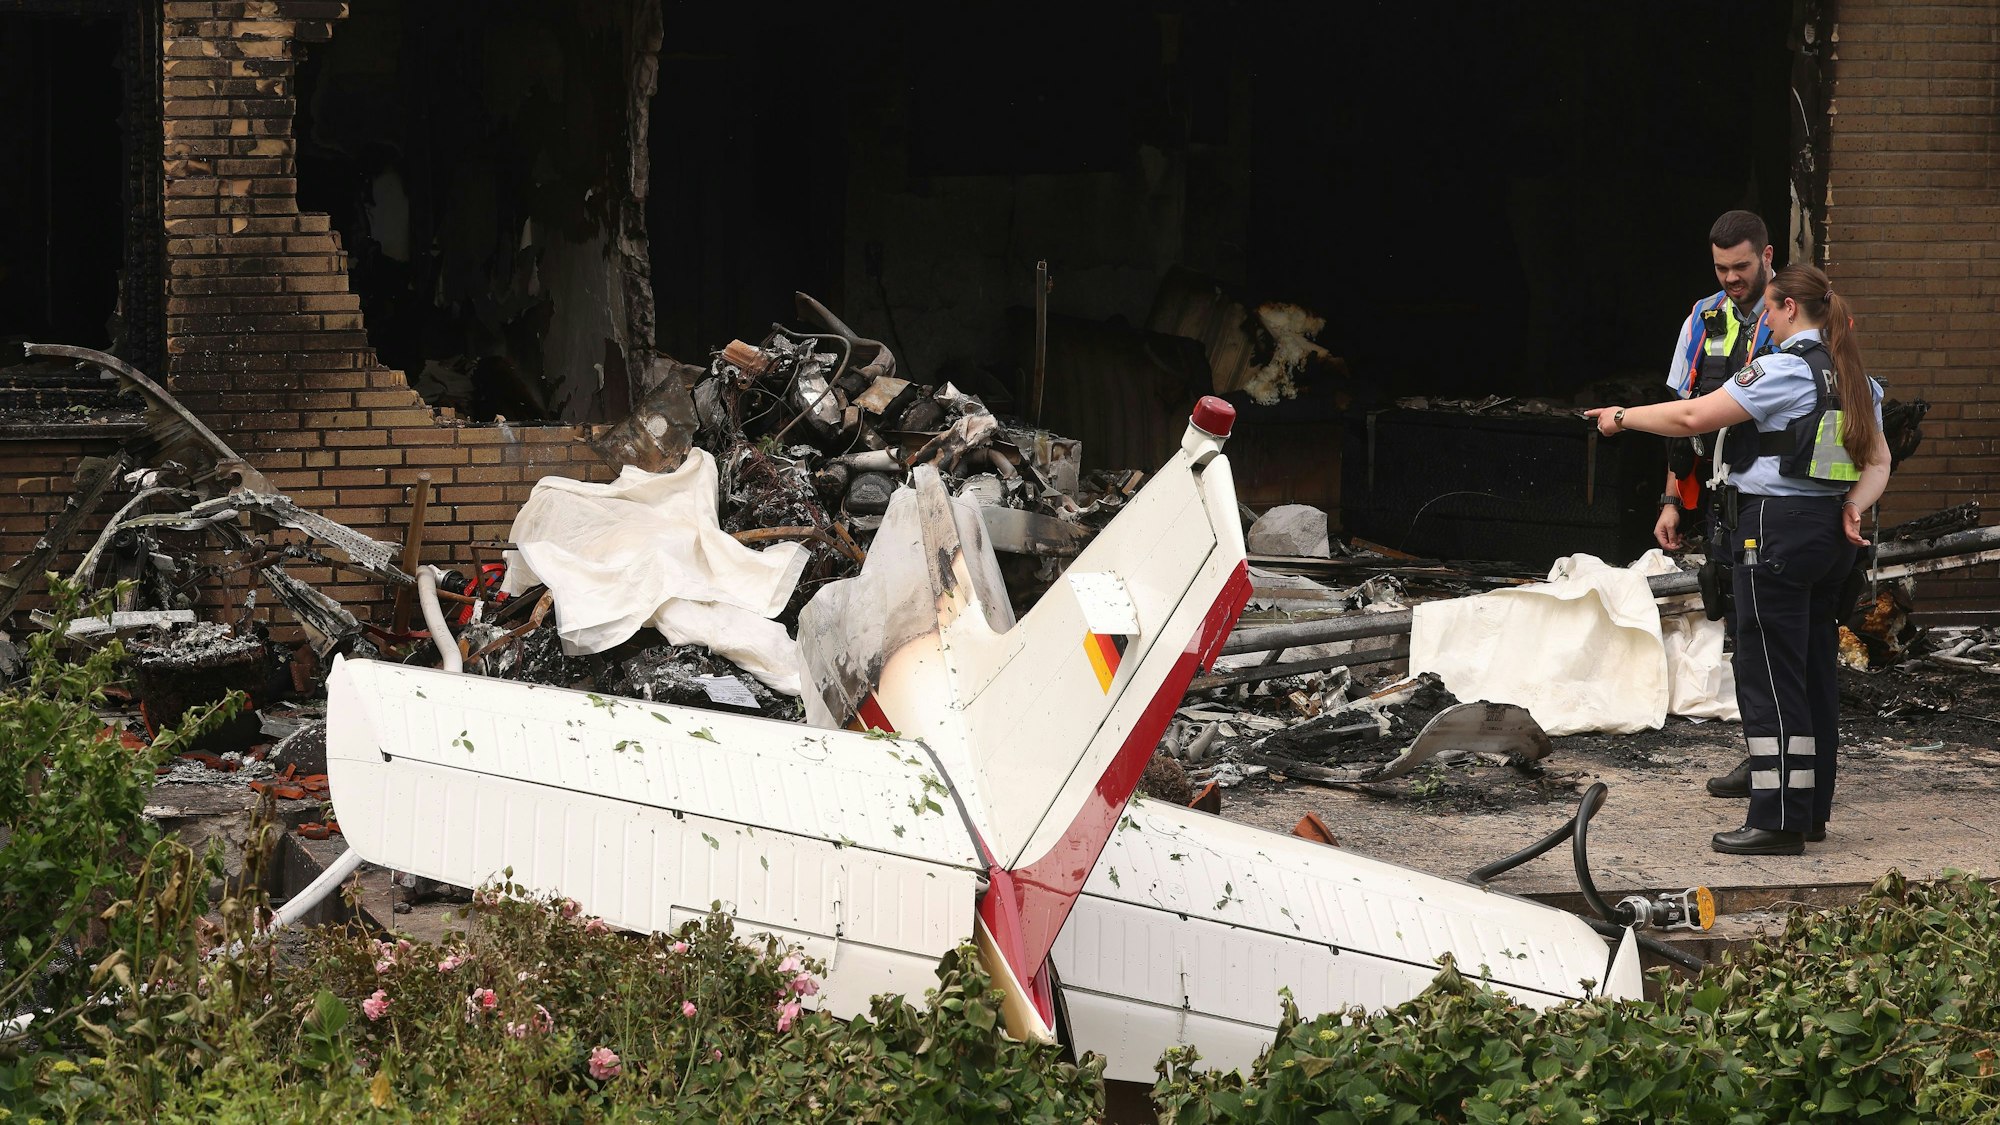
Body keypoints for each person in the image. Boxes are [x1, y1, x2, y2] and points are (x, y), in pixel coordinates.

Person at [1585, 264, 1890, 855]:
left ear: (1790, 309)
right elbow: (1878, 463)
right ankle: (1809, 812)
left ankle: (1776, 822)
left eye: (1771, 311)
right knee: (1812, 674)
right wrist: (1853, 506)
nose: (1765, 323)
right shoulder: (1858, 380)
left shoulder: (1782, 371)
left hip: (1774, 532)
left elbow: (1692, 416)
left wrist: (1621, 418)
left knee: (1769, 675)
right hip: (1830, 536)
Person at [1657, 211, 1776, 552]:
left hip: (1783, 499)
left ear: (1767, 256)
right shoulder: (1700, 318)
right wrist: (1671, 502)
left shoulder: (1801, 313)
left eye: (1741, 266)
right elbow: (1683, 416)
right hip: (1720, 495)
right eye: (1721, 268)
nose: (1731, 278)